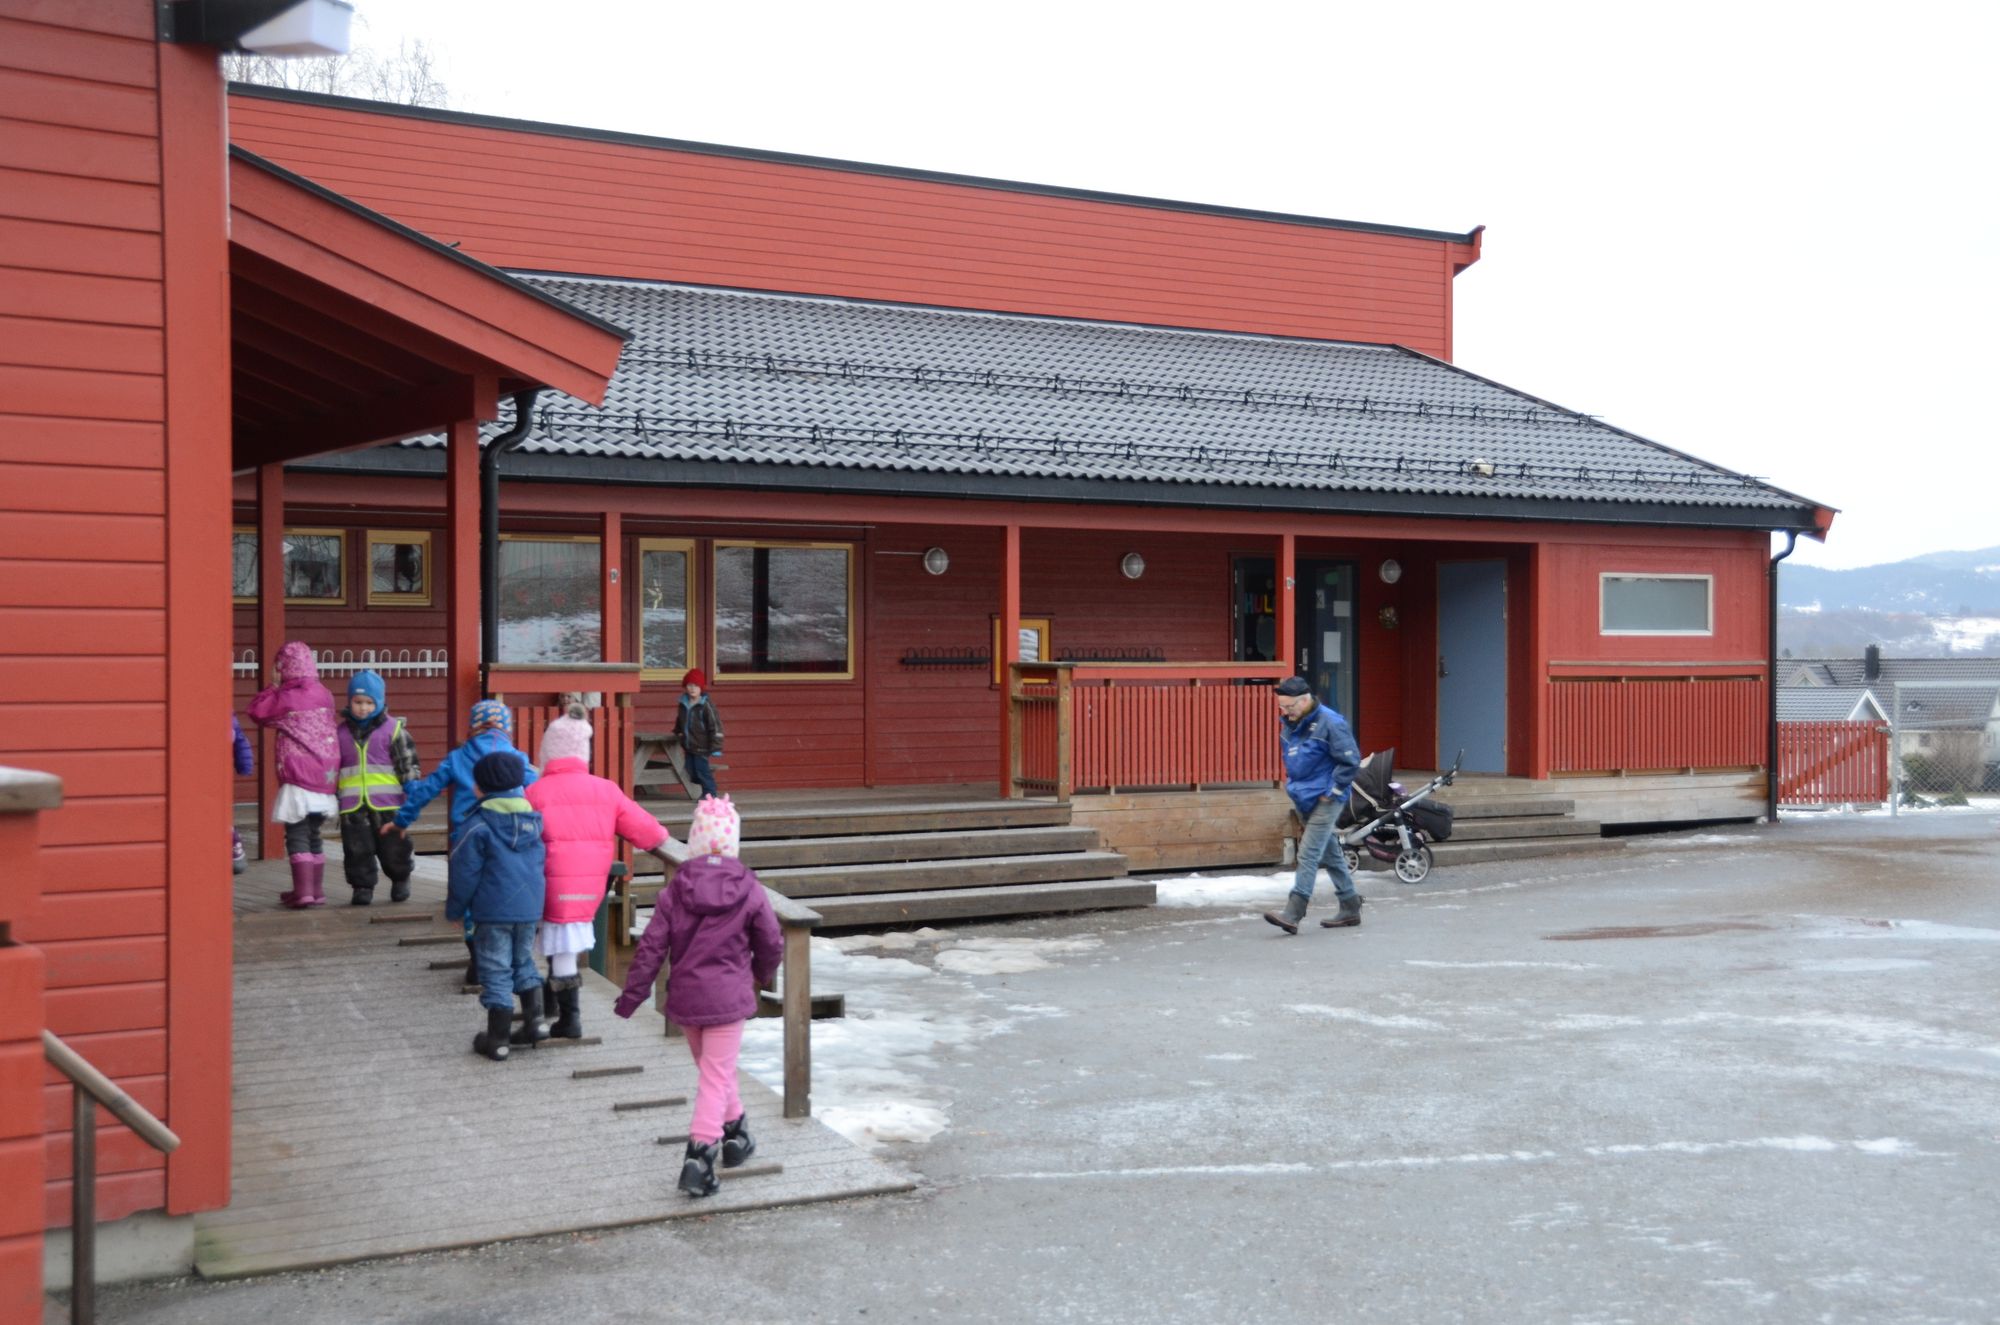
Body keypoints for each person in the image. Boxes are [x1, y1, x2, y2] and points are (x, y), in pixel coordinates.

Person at [614, 795, 781, 1198]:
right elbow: (771, 941)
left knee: (713, 1072)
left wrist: (632, 995)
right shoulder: (749, 888)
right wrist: (760, 975)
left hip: (688, 1000)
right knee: (716, 1074)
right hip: (728, 997)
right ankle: (699, 1158)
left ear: (694, 843)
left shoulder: (676, 890)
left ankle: (737, 1134)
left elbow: (652, 947)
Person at [525, 706, 677, 1041]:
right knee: (564, 945)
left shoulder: (535, 792)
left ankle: (565, 1016)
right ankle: (560, 1010)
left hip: (546, 882)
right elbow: (649, 833)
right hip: (588, 888)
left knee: (554, 944)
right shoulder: (606, 790)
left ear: (548, 753)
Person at [387, 699, 538, 979]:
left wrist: (402, 820)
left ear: (473, 727)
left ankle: (477, 957)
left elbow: (427, 790)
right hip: (512, 836)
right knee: (505, 888)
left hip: (467, 835)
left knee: (471, 891)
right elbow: (541, 789)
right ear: (507, 728)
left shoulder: (458, 757)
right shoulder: (516, 757)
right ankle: (509, 956)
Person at [446, 751, 548, 1062]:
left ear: (479, 787)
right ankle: (536, 1022)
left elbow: (464, 873)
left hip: (493, 912)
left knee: (495, 968)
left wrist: (455, 909)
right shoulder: (534, 821)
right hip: (529, 909)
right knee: (523, 960)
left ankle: (498, 1039)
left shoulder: (477, 825)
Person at [1264, 675, 1364, 934]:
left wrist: (1333, 791)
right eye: (1282, 707)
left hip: (1326, 798)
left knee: (1307, 853)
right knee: (1330, 854)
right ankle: (1350, 905)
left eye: (1289, 706)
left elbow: (1351, 760)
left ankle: (1294, 912)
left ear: (1305, 700)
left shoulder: (1331, 722)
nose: (1285, 712)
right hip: (1304, 797)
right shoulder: (1291, 724)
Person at [244, 641, 339, 910]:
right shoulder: (325, 694)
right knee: (314, 833)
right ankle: (316, 890)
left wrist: (273, 686)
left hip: (299, 777)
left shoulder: (287, 697)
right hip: (325, 778)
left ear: (282, 668)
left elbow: (257, 713)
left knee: (296, 833)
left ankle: (303, 892)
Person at [335, 669, 421, 906]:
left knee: (394, 847)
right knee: (356, 849)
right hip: (352, 804)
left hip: (388, 804)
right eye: (358, 702)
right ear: (350, 701)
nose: (363, 708)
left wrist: (412, 785)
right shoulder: (340, 733)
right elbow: (332, 766)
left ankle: (400, 877)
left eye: (369, 702)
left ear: (380, 702)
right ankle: (362, 885)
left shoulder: (394, 730)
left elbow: (407, 762)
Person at [673, 669, 724, 799]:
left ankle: (710, 795)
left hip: (702, 745)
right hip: (688, 745)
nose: (692, 689)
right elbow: (681, 719)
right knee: (690, 771)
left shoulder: (705, 705)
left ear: (701, 687)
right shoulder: (683, 703)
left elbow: (715, 726)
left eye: (696, 686)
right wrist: (677, 731)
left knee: (702, 771)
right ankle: (706, 790)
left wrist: (716, 747)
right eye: (689, 685)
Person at [230, 715, 255, 875]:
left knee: (223, 817)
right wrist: (245, 765)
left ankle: (235, 849)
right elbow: (240, 740)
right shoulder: (230, 716)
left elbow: (239, 740)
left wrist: (244, 765)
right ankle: (235, 849)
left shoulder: (228, 716)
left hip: (218, 774)